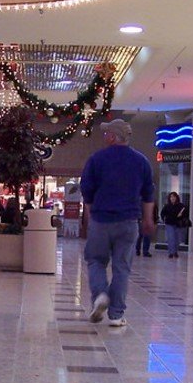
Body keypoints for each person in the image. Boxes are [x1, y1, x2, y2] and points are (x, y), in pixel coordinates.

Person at [80, 119, 155, 327]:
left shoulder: (96, 159)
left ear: (112, 137)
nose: (104, 137)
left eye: (106, 134)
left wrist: (88, 216)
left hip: (101, 220)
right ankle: (116, 315)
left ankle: (100, 295)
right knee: (122, 267)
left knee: (95, 260)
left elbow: (87, 192)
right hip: (129, 222)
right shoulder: (142, 161)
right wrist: (148, 219)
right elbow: (148, 194)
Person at [160, 192, 189, 259]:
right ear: (169, 198)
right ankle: (171, 252)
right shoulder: (167, 206)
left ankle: (175, 251)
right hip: (169, 224)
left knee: (177, 239)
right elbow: (162, 213)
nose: (172, 198)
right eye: (171, 197)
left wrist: (181, 216)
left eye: (174, 197)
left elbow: (186, 213)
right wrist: (164, 219)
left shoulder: (181, 206)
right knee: (171, 238)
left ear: (176, 198)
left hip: (178, 224)